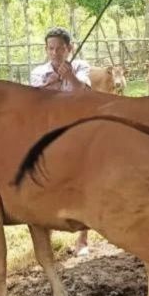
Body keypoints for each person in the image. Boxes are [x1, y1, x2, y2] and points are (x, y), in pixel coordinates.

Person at [29, 27, 92, 257]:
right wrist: (53, 83)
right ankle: (48, 233)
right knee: (47, 182)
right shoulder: (38, 72)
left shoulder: (81, 67)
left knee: (82, 183)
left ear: (69, 49)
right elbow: (36, 99)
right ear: (46, 50)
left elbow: (83, 94)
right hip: (48, 132)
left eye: (60, 48)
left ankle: (83, 239)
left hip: (78, 132)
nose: (55, 53)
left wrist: (69, 77)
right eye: (51, 48)